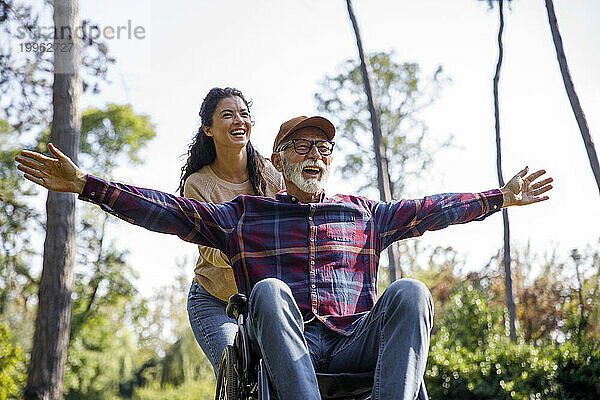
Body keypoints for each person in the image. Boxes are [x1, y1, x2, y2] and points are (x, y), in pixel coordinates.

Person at [15, 115, 553, 400]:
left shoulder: (363, 213)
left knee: (410, 291)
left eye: (323, 148)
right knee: (268, 291)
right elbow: (164, 210)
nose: (315, 156)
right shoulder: (246, 215)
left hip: (353, 341)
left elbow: (433, 209)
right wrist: (87, 185)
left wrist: (499, 197)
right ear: (278, 159)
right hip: (290, 347)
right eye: (302, 147)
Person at [178, 87, 283, 374]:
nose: (239, 120)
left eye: (244, 114)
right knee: (236, 372)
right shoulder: (198, 184)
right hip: (214, 301)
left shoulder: (272, 176)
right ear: (208, 129)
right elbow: (211, 250)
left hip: (264, 300)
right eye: (228, 115)